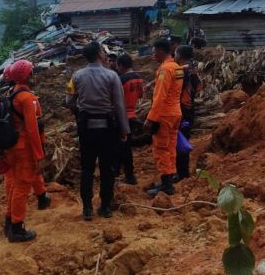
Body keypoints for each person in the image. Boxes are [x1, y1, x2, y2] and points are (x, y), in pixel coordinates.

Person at [66, 42, 130, 220]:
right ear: (100, 55)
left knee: (87, 168)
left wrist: (80, 111)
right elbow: (119, 105)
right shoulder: (112, 76)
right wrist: (124, 129)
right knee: (106, 168)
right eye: (103, 51)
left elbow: (69, 101)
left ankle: (87, 208)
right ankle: (105, 206)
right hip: (108, 129)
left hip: (86, 129)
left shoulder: (77, 76)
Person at [1, 64, 51, 240]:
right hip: (23, 149)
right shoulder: (27, 98)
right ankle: (17, 229)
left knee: (15, 185)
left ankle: (9, 222)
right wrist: (39, 155)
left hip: (11, 148)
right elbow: (32, 129)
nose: (33, 74)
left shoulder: (10, 94)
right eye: (31, 72)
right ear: (26, 75)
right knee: (22, 187)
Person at [144, 39, 183, 197]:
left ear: (160, 51)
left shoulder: (165, 70)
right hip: (175, 113)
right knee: (171, 147)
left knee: (161, 149)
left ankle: (166, 185)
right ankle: (170, 178)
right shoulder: (177, 67)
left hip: (164, 115)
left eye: (154, 51)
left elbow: (160, 96)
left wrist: (150, 118)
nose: (153, 54)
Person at [115, 53, 144, 185]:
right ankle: (121, 172)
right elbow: (141, 95)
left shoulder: (121, 79)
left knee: (122, 148)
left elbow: (116, 99)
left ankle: (129, 176)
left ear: (120, 65)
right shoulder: (138, 78)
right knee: (125, 147)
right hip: (133, 115)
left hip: (122, 117)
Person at [174, 45, 202, 182]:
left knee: (179, 142)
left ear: (179, 55)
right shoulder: (193, 70)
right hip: (189, 110)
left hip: (182, 110)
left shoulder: (181, 71)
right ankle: (182, 172)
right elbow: (198, 88)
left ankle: (181, 173)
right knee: (183, 140)